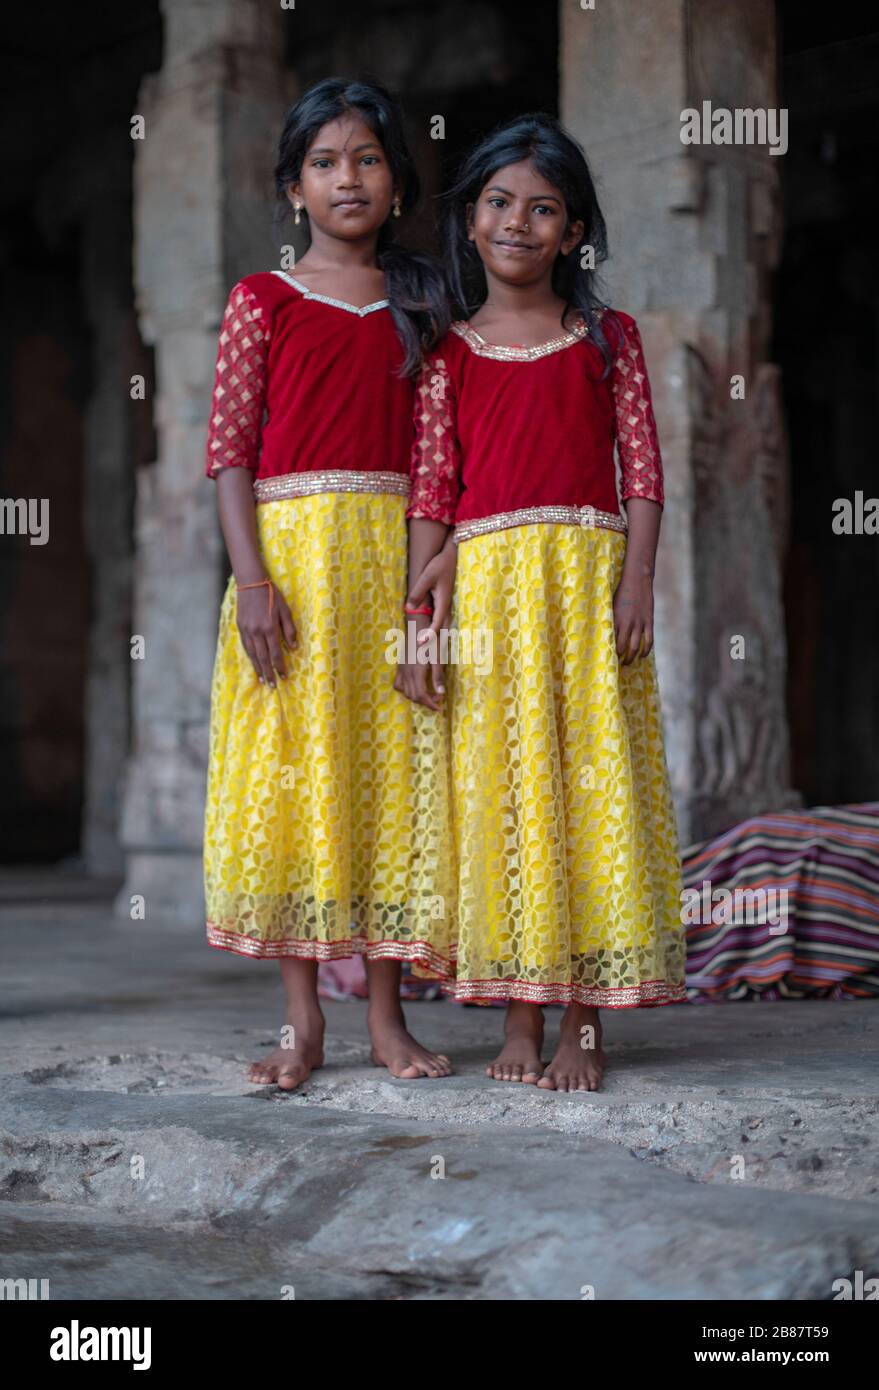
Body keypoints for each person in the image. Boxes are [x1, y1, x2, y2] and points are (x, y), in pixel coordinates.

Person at [398, 114, 686, 1092]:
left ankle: (585, 1021)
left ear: (572, 232)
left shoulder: (609, 337)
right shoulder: (449, 353)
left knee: (590, 789)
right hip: (485, 597)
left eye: (544, 208)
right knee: (513, 799)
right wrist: (417, 629)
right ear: (470, 221)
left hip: (586, 585)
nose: (519, 221)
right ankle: (519, 1012)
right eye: (499, 202)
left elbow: (643, 467)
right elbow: (435, 494)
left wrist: (637, 577)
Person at [203, 78, 455, 1090]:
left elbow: (439, 456)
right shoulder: (261, 299)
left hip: (394, 562)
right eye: (324, 162)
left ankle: (386, 1018)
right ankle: (303, 1022)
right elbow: (228, 454)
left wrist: (425, 588)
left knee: (396, 777)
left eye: (368, 159)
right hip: (292, 569)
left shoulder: (425, 297)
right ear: (294, 187)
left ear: (397, 182)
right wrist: (252, 579)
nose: (347, 178)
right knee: (298, 783)